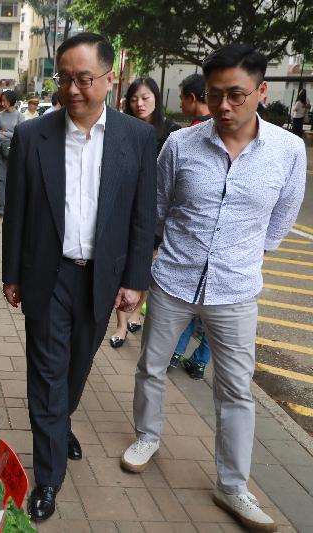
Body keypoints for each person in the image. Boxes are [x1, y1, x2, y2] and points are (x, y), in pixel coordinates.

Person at [122, 44, 306, 532]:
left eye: (237, 95)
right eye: (215, 95)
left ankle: (232, 485)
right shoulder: (181, 145)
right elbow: (156, 211)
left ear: (261, 92)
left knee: (236, 390)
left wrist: (243, 257)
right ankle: (147, 435)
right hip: (174, 280)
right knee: (152, 366)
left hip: (237, 289)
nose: (225, 106)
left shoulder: (288, 151)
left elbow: (282, 218)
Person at [2, 32, 156, 522]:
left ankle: (59, 422)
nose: (72, 89)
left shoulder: (137, 138)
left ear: (109, 80)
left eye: (83, 79)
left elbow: (141, 217)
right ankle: (48, 480)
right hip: (48, 276)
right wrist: (12, 274)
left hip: (102, 280)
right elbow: (18, 213)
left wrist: (135, 279)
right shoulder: (34, 135)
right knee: (46, 376)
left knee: (76, 367)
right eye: (64, 78)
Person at [109, 77, 180, 349]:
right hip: (127, 209)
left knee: (148, 267)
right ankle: (120, 325)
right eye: (135, 98)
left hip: (157, 213)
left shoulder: (172, 134)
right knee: (125, 264)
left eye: (146, 97)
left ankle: (138, 311)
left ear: (157, 99)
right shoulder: (122, 130)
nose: (140, 104)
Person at [170, 72, 213, 379]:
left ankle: (176, 351)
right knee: (209, 315)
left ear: (192, 99)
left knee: (191, 305)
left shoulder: (189, 137)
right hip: (217, 262)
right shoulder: (183, 138)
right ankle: (198, 361)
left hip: (191, 254)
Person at [0, 90, 23, 217]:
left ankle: (12, 206)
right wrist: (11, 135)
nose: (2, 102)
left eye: (4, 100)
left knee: (13, 179)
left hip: (15, 151)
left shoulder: (19, 116)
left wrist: (5, 133)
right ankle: (1, 207)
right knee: (1, 178)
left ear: (11, 101)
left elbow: (21, 135)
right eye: (2, 100)